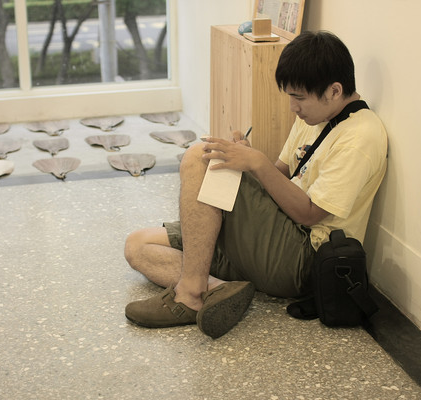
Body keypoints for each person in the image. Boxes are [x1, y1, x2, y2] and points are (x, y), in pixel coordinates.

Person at [123, 31, 388, 338]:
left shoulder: (360, 137)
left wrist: (256, 163)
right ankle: (219, 289)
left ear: (334, 90)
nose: (293, 107)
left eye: (299, 98)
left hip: (304, 256)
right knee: (138, 245)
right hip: (275, 236)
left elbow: (310, 214)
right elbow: (280, 176)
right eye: (290, 96)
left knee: (199, 156)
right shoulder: (315, 117)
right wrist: (247, 158)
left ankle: (191, 295)